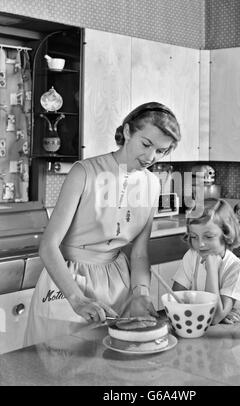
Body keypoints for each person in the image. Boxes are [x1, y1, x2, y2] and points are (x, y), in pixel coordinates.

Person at [24, 101, 181, 346]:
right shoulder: (84, 173)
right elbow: (48, 246)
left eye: (161, 151)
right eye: (146, 144)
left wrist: (139, 293)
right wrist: (77, 298)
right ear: (128, 132)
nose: (151, 157)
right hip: (69, 282)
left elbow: (139, 254)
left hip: (117, 283)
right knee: (59, 372)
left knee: (108, 368)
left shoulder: (152, 184)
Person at [172, 198, 240, 325]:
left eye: (208, 237)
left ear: (226, 233)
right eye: (194, 237)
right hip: (202, 329)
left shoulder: (236, 269)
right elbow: (176, 298)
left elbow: (213, 317)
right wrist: (214, 312)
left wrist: (211, 269)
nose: (200, 244)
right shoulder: (192, 256)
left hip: (233, 337)